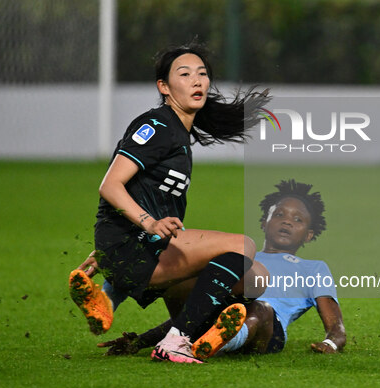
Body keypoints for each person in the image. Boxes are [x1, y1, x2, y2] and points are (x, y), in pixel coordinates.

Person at [68, 41, 270, 364]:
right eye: (185, 74)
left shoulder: (176, 132)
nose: (197, 81)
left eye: (202, 74)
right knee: (244, 245)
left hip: (143, 244)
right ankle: (178, 339)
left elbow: (147, 195)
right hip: (136, 244)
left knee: (257, 277)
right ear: (163, 86)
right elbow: (110, 185)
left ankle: (118, 299)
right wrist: (145, 225)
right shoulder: (157, 126)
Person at [97, 180, 346, 358]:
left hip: (268, 330)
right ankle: (198, 339)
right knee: (182, 269)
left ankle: (218, 343)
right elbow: (203, 302)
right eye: (279, 214)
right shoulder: (237, 259)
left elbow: (336, 328)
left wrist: (331, 343)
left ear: (309, 235)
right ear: (264, 222)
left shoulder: (313, 268)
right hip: (221, 311)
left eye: (298, 220)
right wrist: (141, 341)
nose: (287, 221)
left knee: (260, 308)